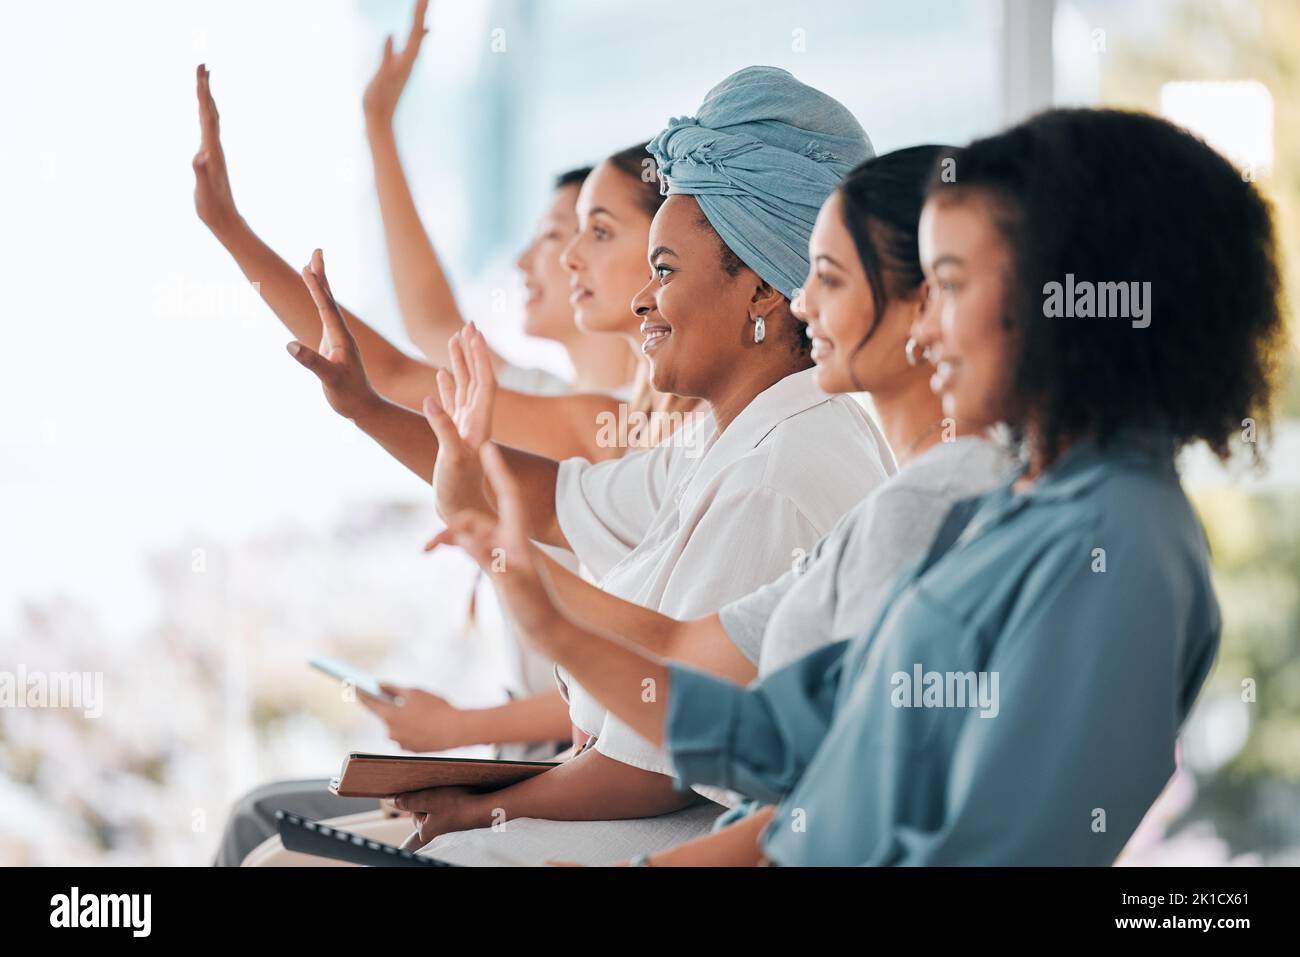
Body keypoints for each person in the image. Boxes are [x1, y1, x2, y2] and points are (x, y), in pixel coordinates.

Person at [433, 107, 1287, 865]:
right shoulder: (1015, 506)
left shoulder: (1123, 543)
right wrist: (541, 608)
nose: (930, 326)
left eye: (950, 286)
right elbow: (774, 736)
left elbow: (981, 847)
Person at [244, 65, 893, 867]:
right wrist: (367, 410)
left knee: (281, 861)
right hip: (618, 809)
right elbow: (548, 499)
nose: (642, 304)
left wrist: (487, 806)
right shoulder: (724, 444)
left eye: (664, 271)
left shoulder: (779, 473)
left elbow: (663, 770)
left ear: (761, 290)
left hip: (657, 836)